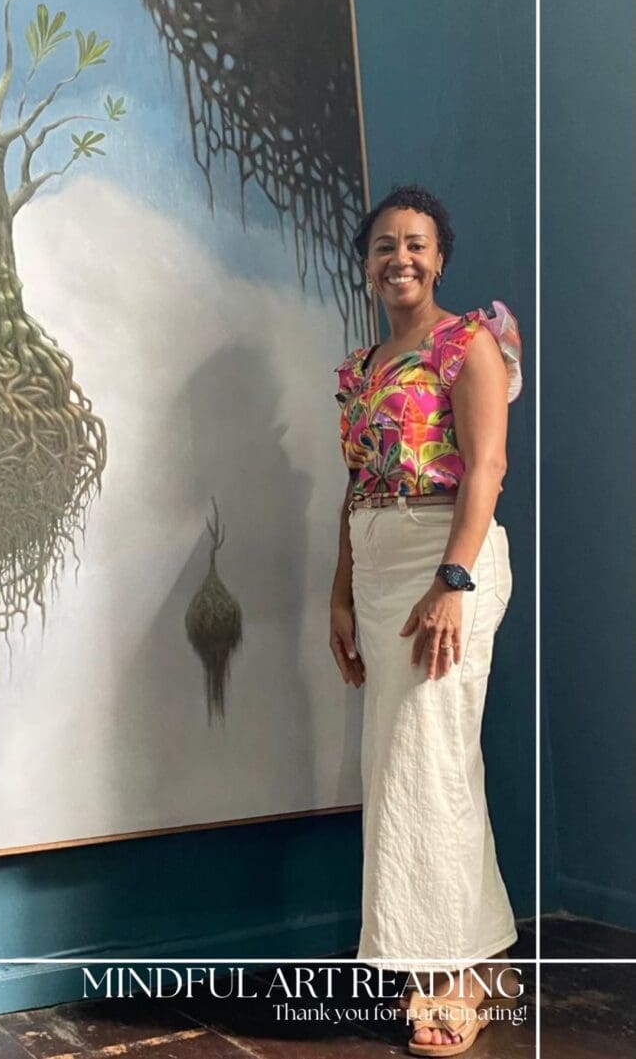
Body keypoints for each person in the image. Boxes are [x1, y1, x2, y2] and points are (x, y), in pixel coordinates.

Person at [329, 185, 524, 1056]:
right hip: (377, 567)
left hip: (447, 558)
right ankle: (467, 958)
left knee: (431, 760)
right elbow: (355, 487)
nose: (399, 257)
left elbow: (487, 467)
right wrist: (339, 593)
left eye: (415, 243)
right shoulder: (360, 370)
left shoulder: (466, 342)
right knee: (405, 764)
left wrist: (454, 578)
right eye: (383, 245)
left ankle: (455, 978)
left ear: (439, 258)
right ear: (367, 265)